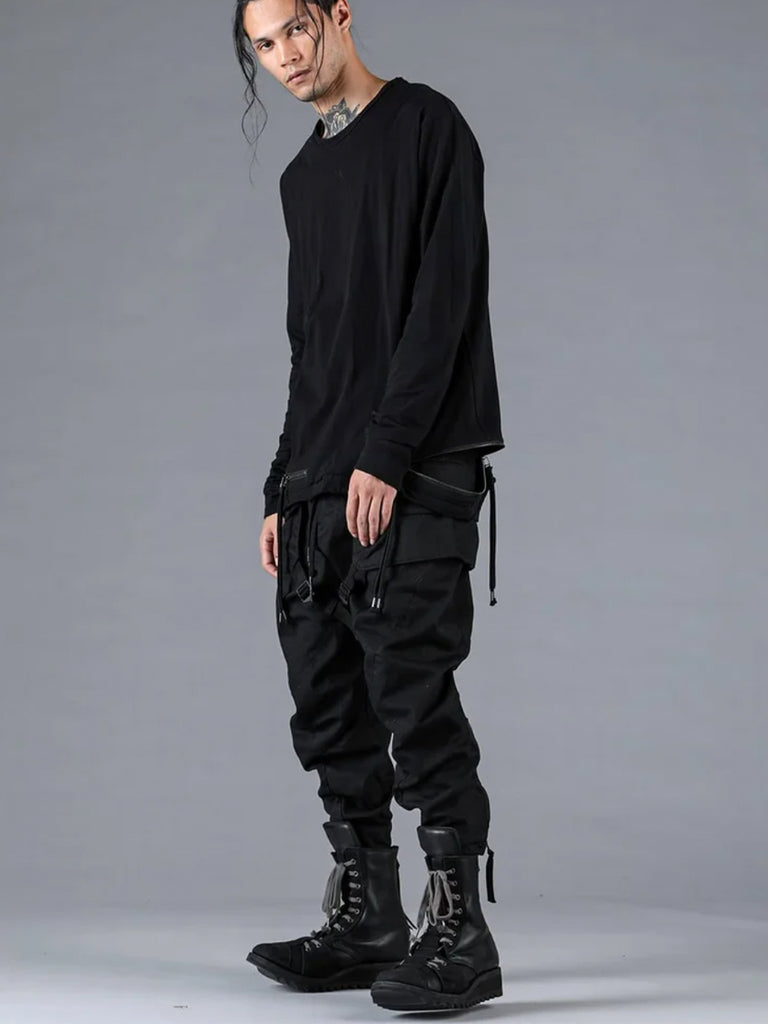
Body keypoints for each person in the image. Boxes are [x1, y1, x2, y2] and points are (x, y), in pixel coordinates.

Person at [232, 0, 505, 1011]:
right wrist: (282, 486)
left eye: (295, 30)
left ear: (339, 14)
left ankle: (461, 933)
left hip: (413, 467)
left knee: (411, 690)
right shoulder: (303, 179)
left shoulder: (428, 126)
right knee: (327, 700)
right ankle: (369, 918)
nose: (285, 57)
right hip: (319, 480)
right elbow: (311, 347)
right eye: (264, 46)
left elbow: (445, 301)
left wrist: (386, 453)